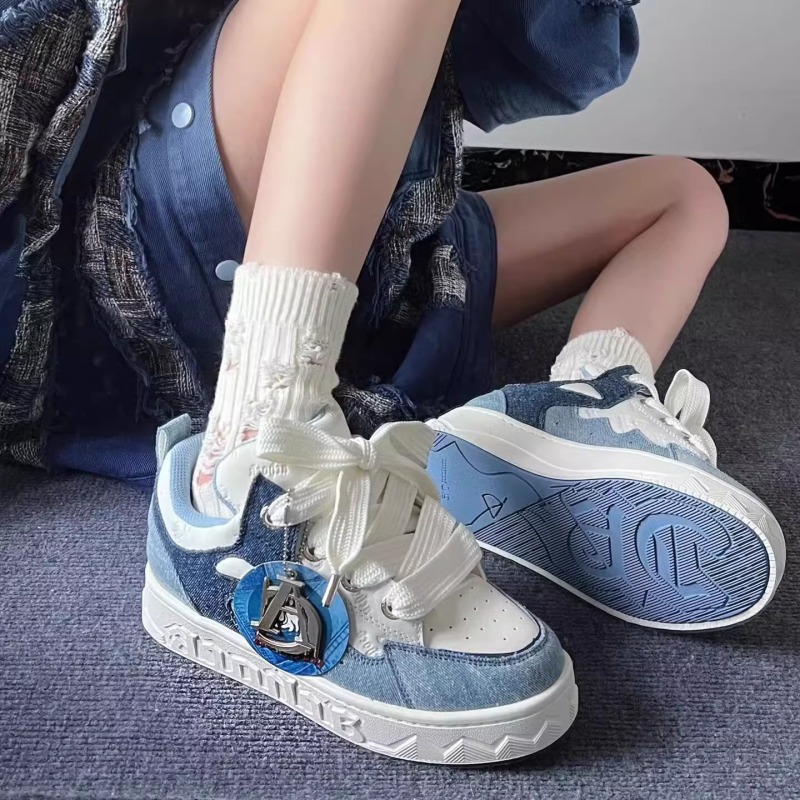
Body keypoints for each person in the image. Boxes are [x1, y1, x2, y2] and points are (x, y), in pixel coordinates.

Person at [0, 0, 784, 765]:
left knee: (685, 194)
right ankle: (256, 447)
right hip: (150, 228)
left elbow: (545, 59)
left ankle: (586, 398)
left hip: (386, 249)